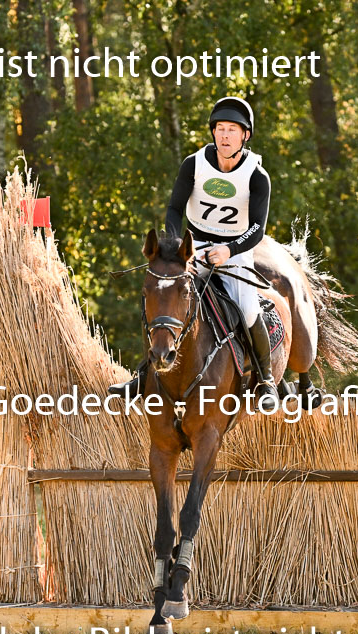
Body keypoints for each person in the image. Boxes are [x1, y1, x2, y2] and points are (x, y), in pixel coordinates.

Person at [109, 96, 279, 409]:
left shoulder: (257, 176)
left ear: (245, 135)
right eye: (220, 129)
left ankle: (266, 380)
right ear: (213, 132)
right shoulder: (194, 164)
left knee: (247, 308)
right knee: (162, 295)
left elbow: (257, 228)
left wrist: (229, 250)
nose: (224, 135)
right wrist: (176, 246)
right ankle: (144, 375)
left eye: (232, 130)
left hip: (235, 250)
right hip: (194, 246)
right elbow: (175, 208)